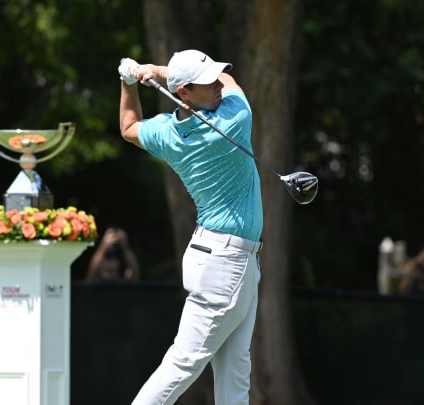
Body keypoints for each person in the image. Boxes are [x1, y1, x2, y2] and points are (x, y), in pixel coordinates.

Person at [118, 49, 263, 405]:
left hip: (219, 257)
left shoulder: (168, 134)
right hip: (227, 264)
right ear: (182, 92)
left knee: (235, 369)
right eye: (204, 83)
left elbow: (128, 127)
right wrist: (159, 71)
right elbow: (232, 83)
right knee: (183, 363)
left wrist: (129, 82)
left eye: (213, 77)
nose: (216, 84)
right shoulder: (233, 119)